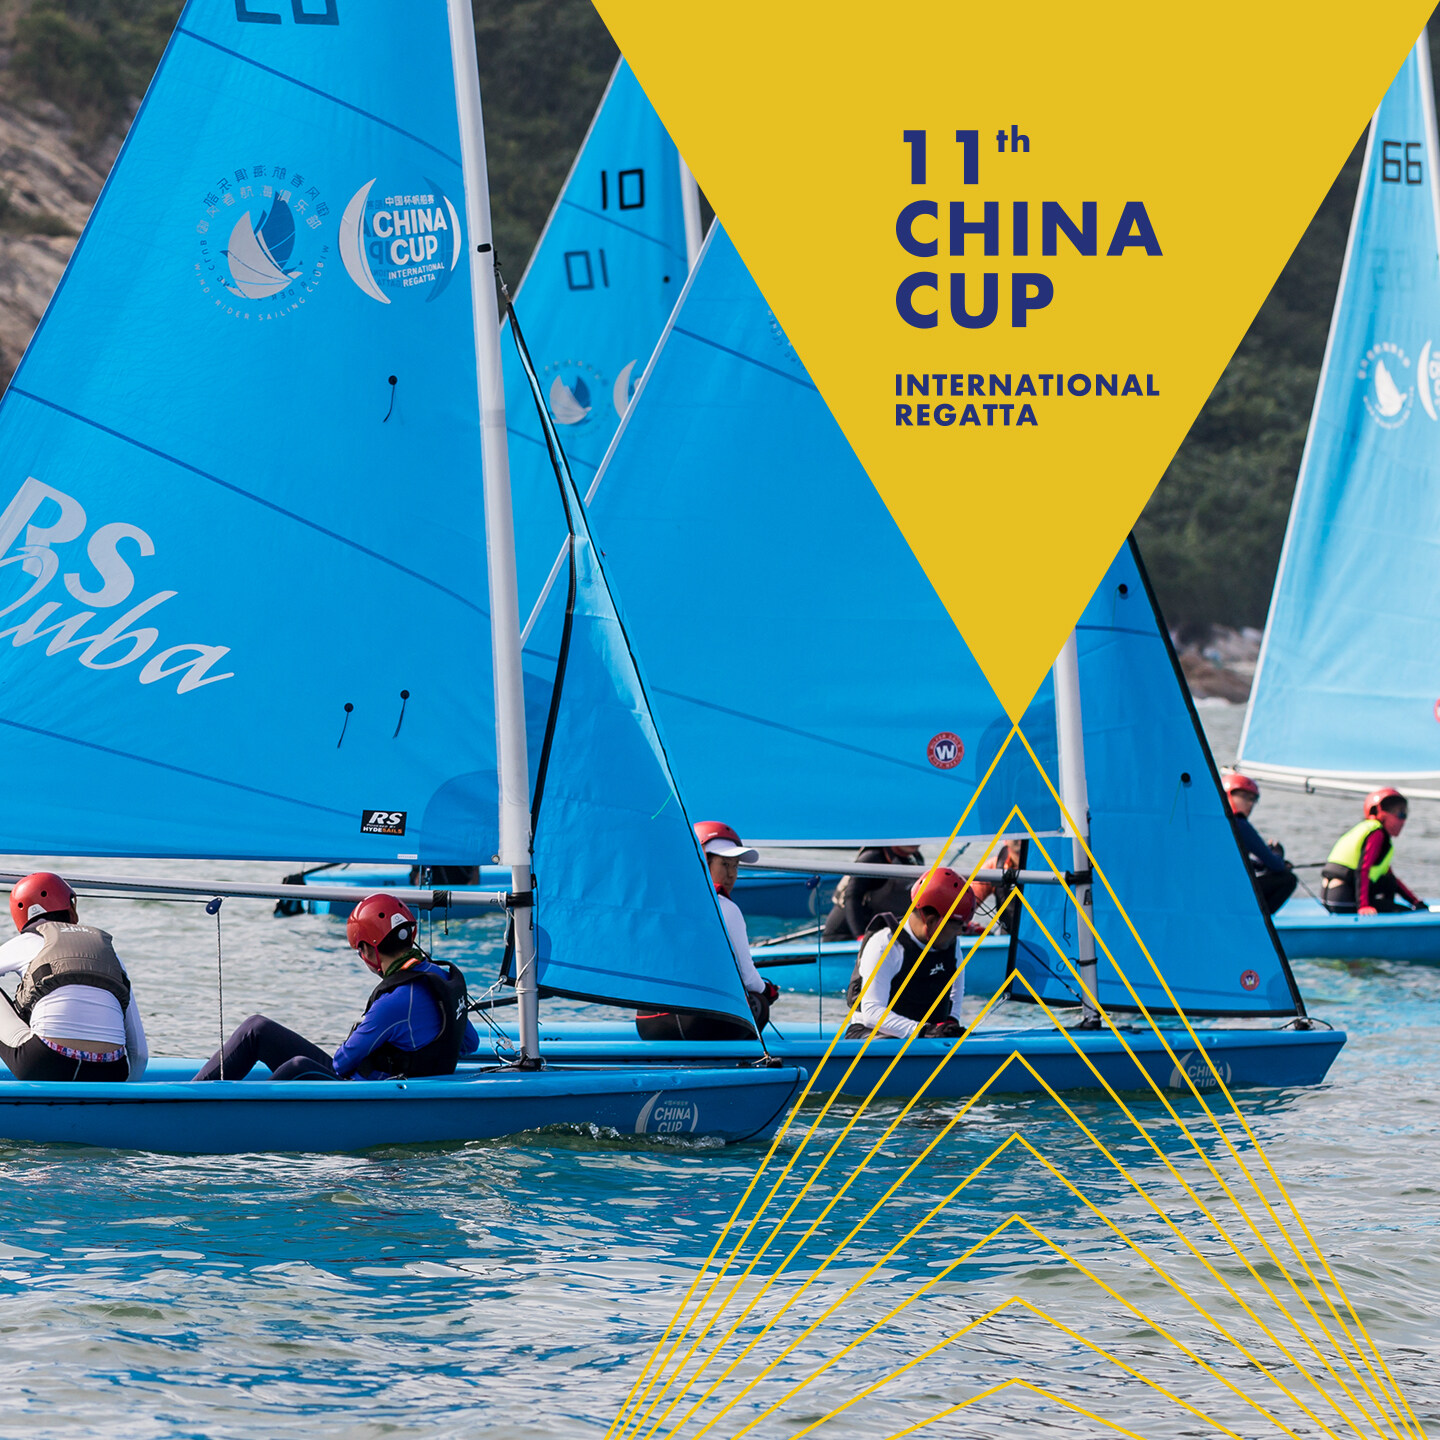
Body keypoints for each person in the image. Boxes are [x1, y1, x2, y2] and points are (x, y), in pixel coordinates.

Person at [195, 894, 479, 1080]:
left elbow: (342, 1063)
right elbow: (470, 1043)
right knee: (259, 1030)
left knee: (266, 1038)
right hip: (398, 1085)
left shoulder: (394, 1002)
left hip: (363, 1096)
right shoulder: (441, 978)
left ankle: (209, 1106)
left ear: (369, 950)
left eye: (360, 950)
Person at [635, 822, 780, 1041]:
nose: (731, 874)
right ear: (701, 861)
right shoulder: (727, 908)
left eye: (735, 866)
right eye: (725, 864)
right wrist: (769, 991)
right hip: (698, 1024)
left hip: (649, 1023)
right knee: (758, 1001)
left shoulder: (659, 903)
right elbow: (749, 978)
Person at [0, 871, 148, 1082]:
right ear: (70, 907)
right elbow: (139, 1054)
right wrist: (124, 1091)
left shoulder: (26, 942)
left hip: (43, 1063)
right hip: (111, 1071)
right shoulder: (109, 952)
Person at [843, 867, 976, 1040]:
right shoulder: (885, 945)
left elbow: (955, 991)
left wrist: (951, 1023)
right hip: (873, 1034)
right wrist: (924, 1031)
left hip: (924, 1035)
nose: (959, 933)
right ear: (931, 921)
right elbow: (872, 1012)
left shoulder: (950, 942)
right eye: (957, 926)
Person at [1321, 788, 1427, 916]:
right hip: (1343, 898)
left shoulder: (1366, 829)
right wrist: (1364, 906)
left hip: (1331, 898)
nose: (1403, 821)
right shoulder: (1376, 834)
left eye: (1404, 814)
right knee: (1402, 911)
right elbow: (1363, 869)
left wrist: (1415, 902)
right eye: (1399, 815)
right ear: (1379, 813)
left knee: (1389, 881)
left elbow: (1392, 879)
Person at [1222, 772, 1296, 915]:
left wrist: (1260, 864)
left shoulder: (1215, 822)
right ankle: (1258, 921)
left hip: (1218, 890)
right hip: (1231, 892)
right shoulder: (1239, 823)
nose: (1250, 803)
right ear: (1228, 795)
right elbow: (1275, 865)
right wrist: (1277, 853)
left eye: (1253, 799)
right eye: (1245, 797)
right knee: (1288, 879)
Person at [822, 844, 925, 940]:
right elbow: (852, 897)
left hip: (880, 934)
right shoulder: (872, 858)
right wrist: (860, 936)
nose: (914, 841)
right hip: (846, 936)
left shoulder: (916, 859)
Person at [968, 838, 1025, 934]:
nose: (1021, 836)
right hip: (1008, 937)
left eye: (1028, 833)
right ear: (1005, 839)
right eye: (1015, 832)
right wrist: (963, 924)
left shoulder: (1048, 866)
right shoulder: (994, 865)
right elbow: (968, 899)